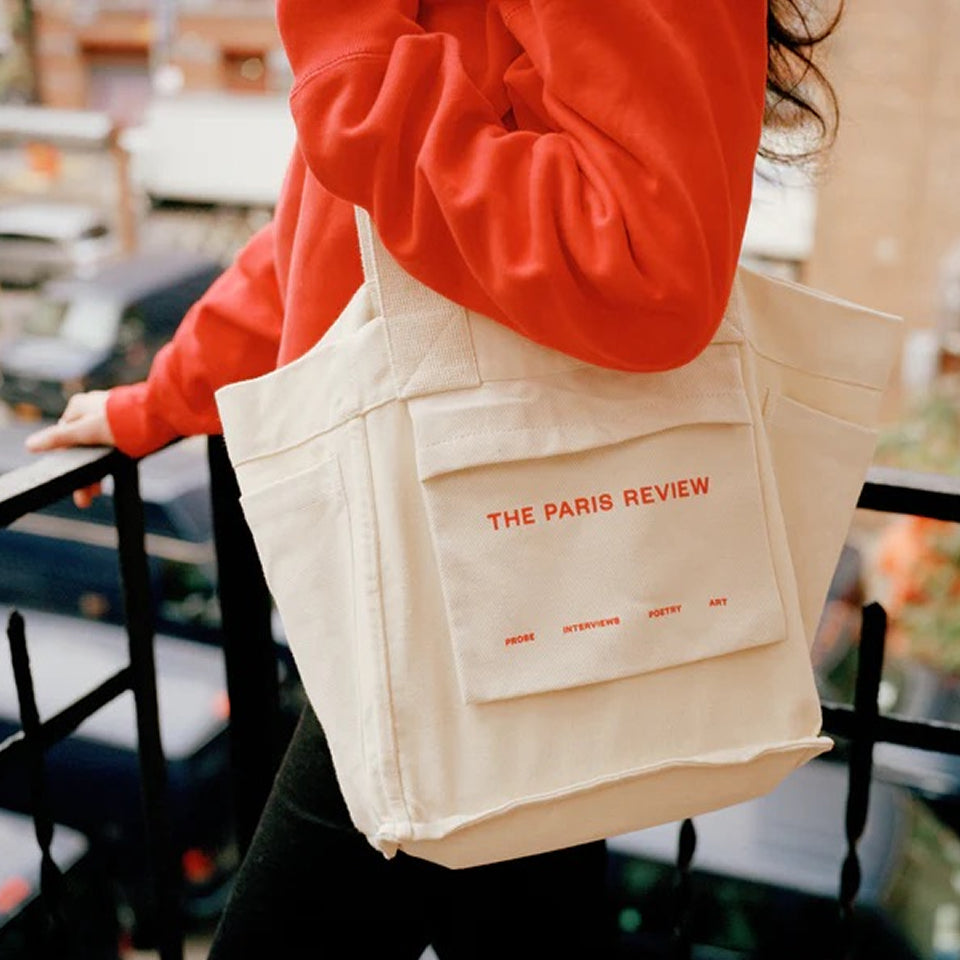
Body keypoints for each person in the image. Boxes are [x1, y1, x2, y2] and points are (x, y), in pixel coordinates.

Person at [26, 1, 842, 955]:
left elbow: (646, 262)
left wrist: (343, 43)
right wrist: (161, 399)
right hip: (480, 578)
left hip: (472, 591)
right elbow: (343, 231)